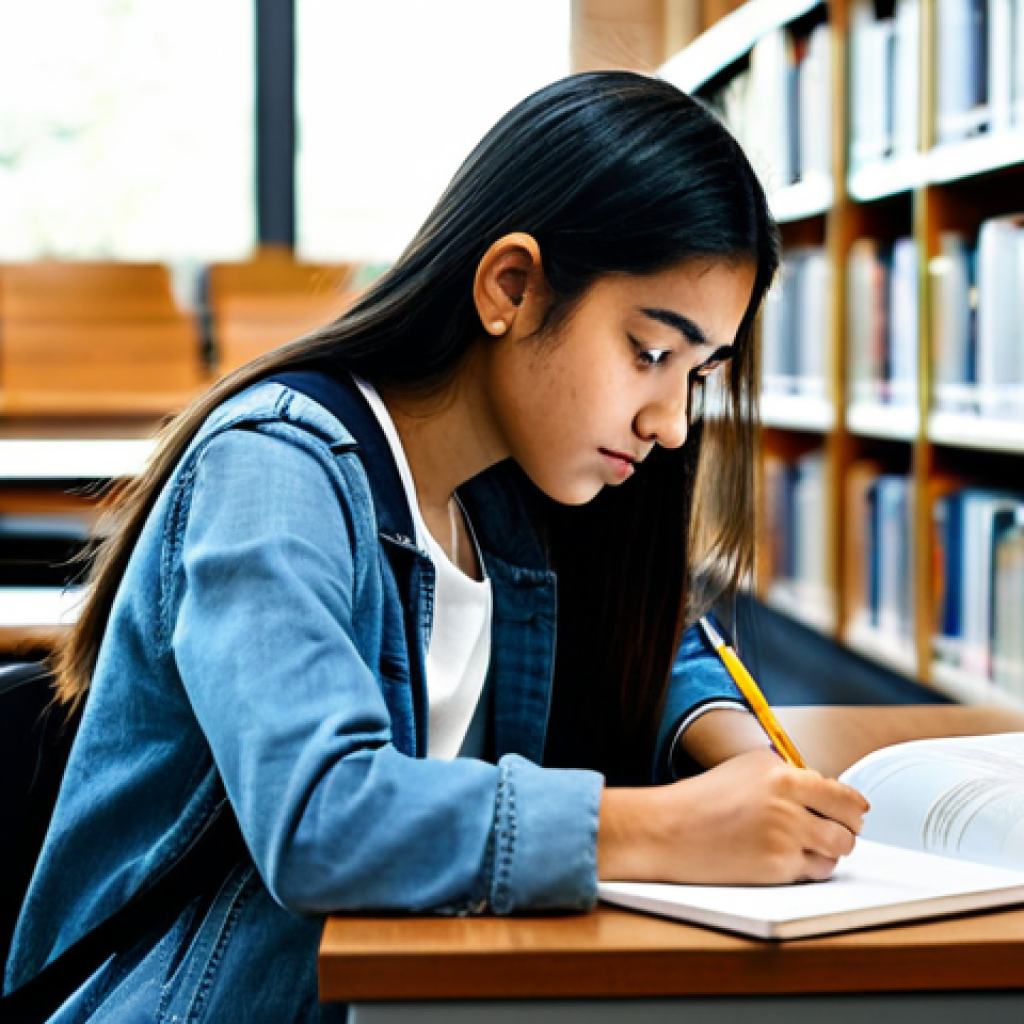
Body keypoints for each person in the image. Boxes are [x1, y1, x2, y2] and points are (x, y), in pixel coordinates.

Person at [4, 71, 867, 1022]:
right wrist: (662, 825)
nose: (671, 422)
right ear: (511, 287)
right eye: (651, 353)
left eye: (699, 373)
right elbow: (324, 818)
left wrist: (745, 759)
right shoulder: (276, 473)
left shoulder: (512, 489)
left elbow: (650, 637)